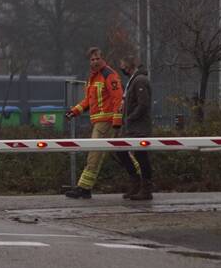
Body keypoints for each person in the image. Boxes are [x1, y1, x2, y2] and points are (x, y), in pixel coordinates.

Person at [64, 47, 123, 199]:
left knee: (94, 154)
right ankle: (141, 179)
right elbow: (88, 101)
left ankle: (83, 188)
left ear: (103, 59)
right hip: (99, 121)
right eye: (92, 59)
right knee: (121, 153)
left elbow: (118, 98)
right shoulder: (92, 78)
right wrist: (75, 111)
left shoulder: (109, 75)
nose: (95, 61)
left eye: (97, 58)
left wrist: (117, 119)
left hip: (106, 122)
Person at [112, 56, 154, 201]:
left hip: (139, 128)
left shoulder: (140, 80)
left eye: (122, 64)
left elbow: (143, 104)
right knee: (120, 151)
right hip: (131, 128)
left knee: (142, 157)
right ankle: (136, 183)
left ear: (128, 64)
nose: (121, 67)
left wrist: (130, 118)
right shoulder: (133, 81)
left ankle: (146, 189)